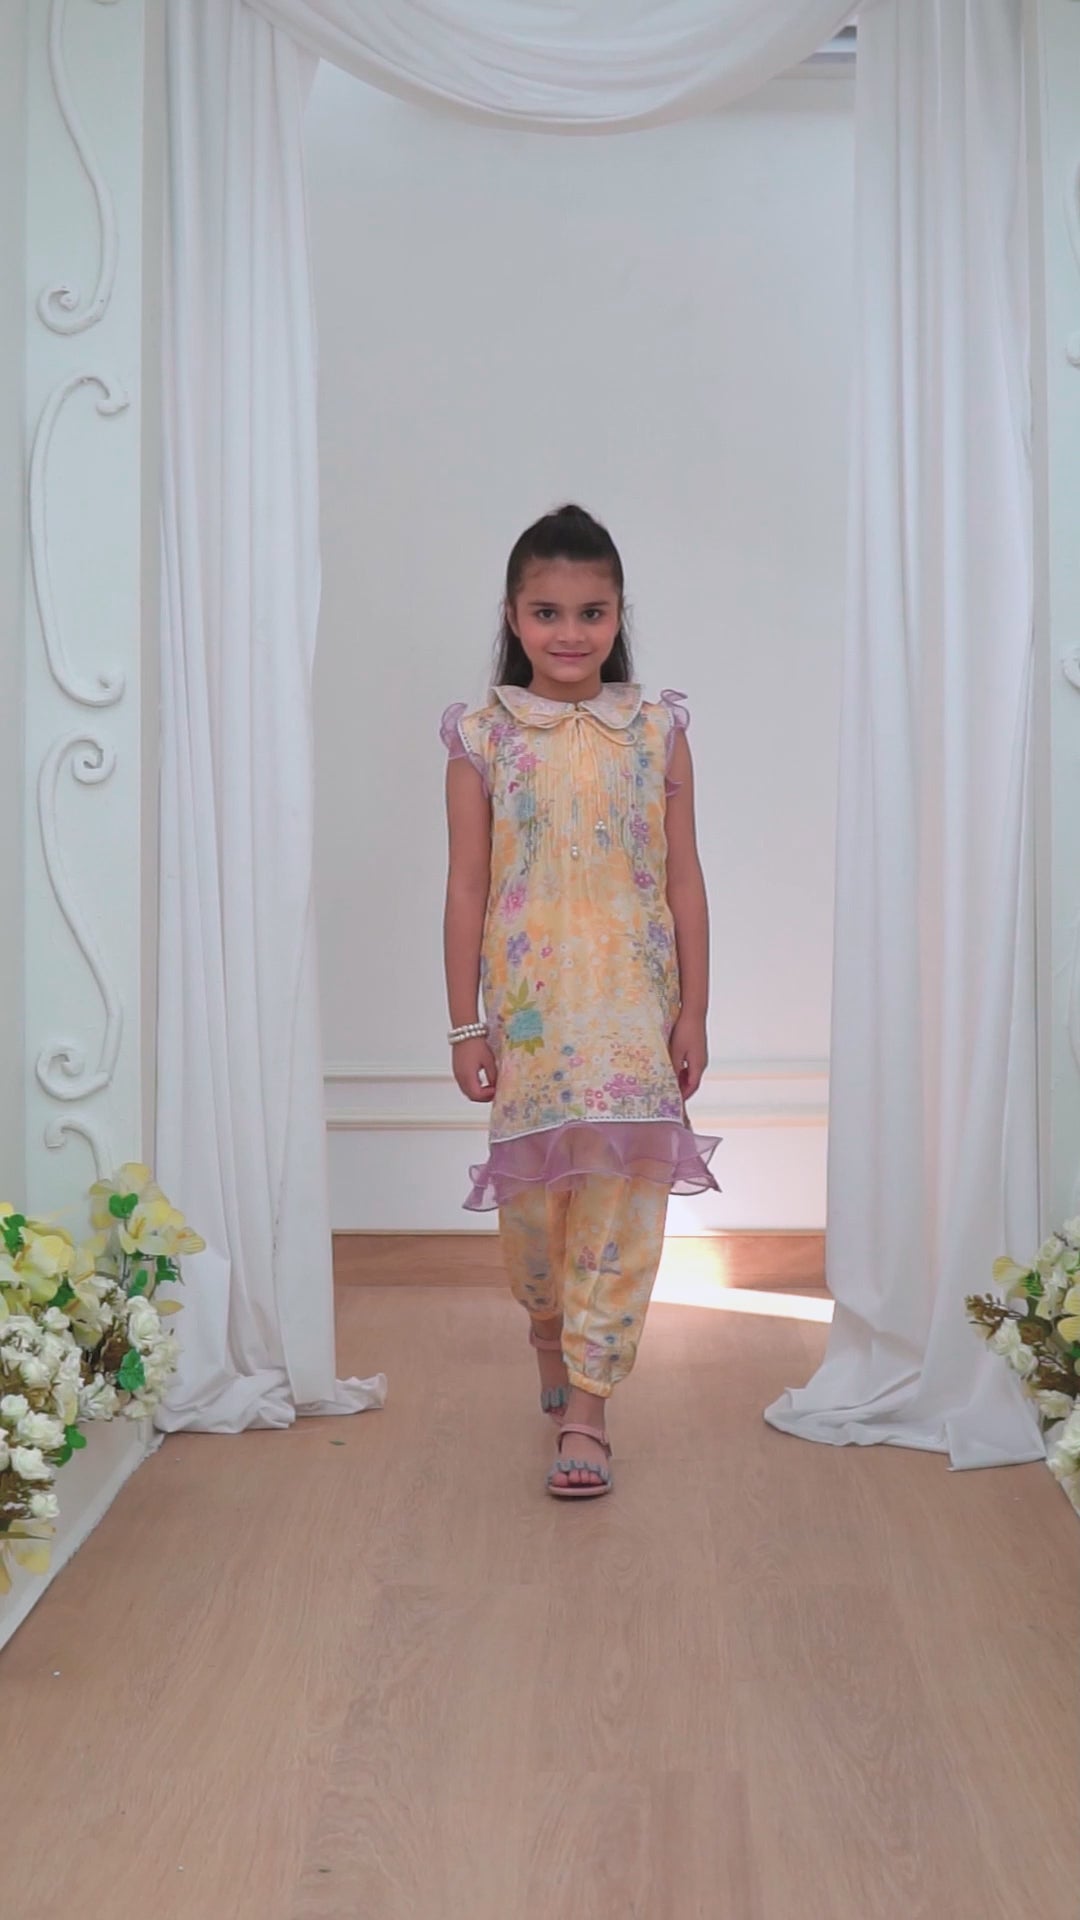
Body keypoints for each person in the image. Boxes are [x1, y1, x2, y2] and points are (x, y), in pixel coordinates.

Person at [441, 503, 717, 1499]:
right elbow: (467, 888)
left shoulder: (658, 732)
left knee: (624, 1204)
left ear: (618, 615)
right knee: (533, 1222)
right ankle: (547, 1330)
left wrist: (693, 1013)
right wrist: (466, 1024)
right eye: (547, 613)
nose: (570, 633)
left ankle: (590, 1409)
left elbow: (684, 880)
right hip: (531, 1017)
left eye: (591, 613)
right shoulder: (482, 739)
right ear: (513, 618)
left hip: (635, 1014)